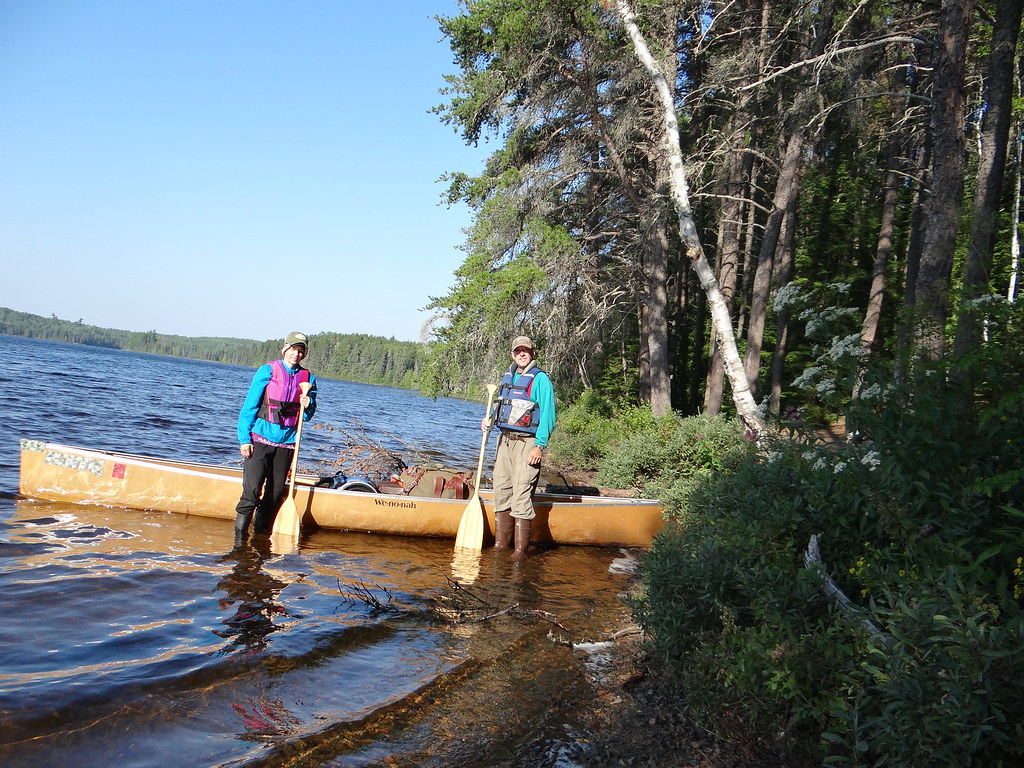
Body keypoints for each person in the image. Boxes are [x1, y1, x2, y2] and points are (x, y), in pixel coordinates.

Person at [234, 331, 317, 539]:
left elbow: (306, 417)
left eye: (301, 350)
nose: (296, 354)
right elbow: (249, 407)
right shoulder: (267, 371)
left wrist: (308, 405)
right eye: (293, 349)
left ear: (304, 353)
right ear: (285, 348)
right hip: (260, 439)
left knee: (274, 495)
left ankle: (260, 540)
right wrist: (245, 439)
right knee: (251, 493)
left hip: (287, 444)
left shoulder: (308, 379)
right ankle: (240, 542)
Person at [484, 335, 556, 561]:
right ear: (512, 354)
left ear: (533, 353)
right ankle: (500, 545)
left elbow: (548, 415)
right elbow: (503, 408)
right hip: (504, 442)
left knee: (522, 494)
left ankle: (520, 552)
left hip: (527, 444)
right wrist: (489, 421)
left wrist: (539, 445)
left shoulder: (540, 379)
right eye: (518, 351)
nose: (521, 354)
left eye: (526, 350)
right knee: (502, 490)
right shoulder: (509, 377)